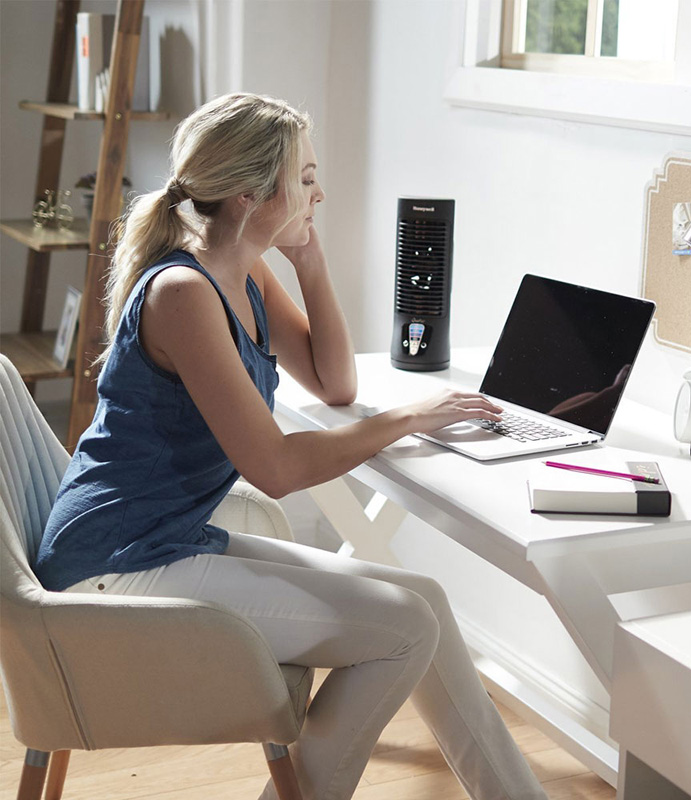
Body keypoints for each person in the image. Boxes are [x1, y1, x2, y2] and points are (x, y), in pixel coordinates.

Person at [34, 93, 548, 800]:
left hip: (166, 539)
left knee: (421, 596)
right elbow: (275, 469)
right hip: (117, 567)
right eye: (304, 177)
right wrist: (406, 418)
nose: (319, 191)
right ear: (251, 195)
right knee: (404, 628)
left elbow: (334, 384)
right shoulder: (184, 292)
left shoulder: (241, 270)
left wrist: (310, 260)